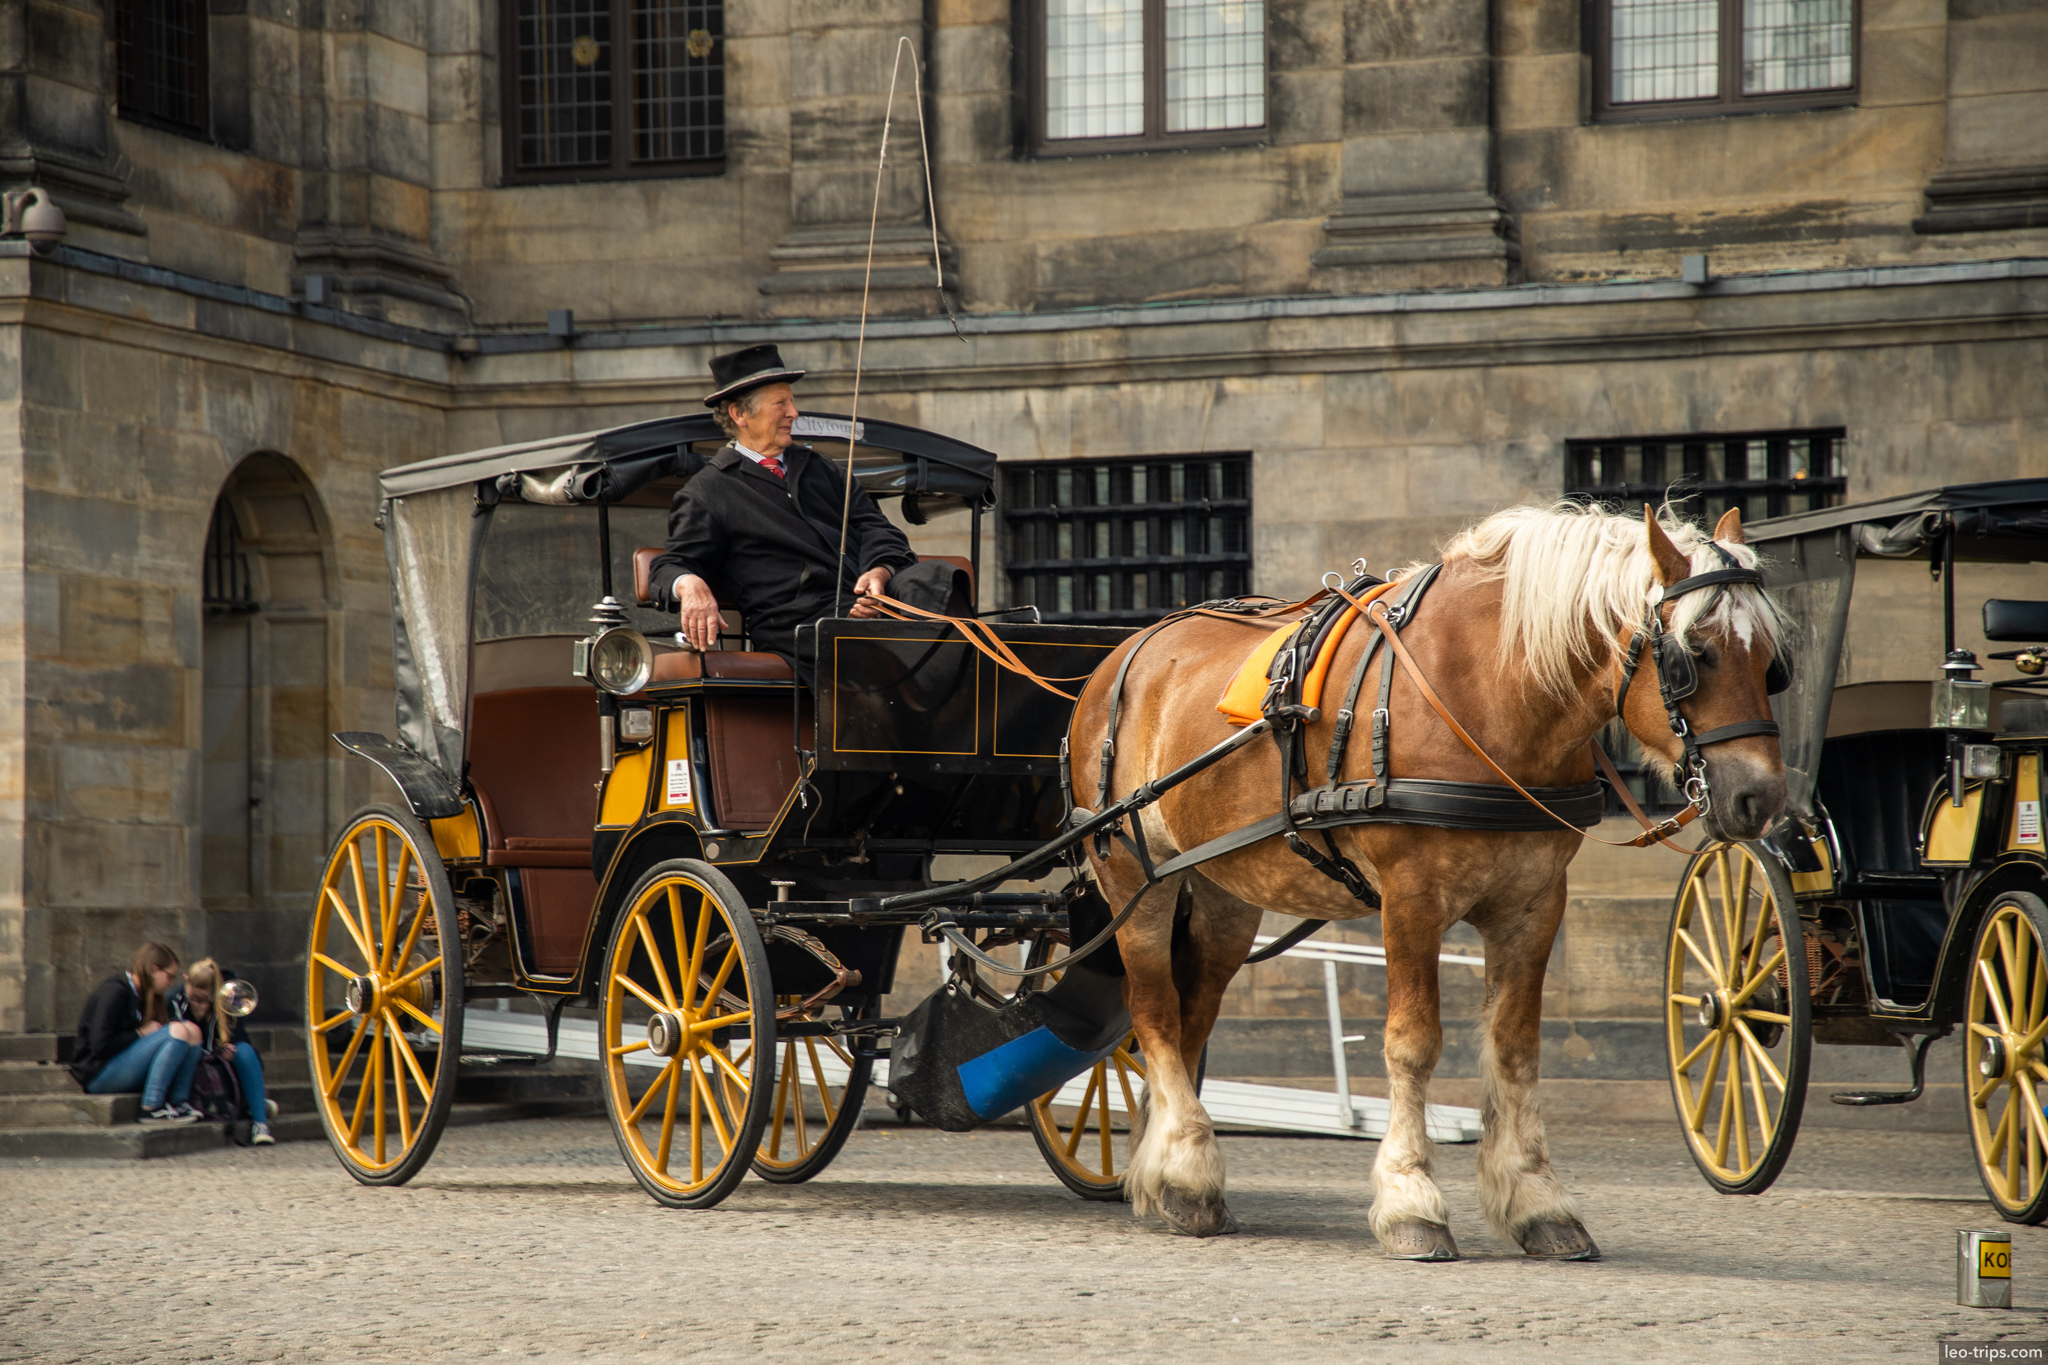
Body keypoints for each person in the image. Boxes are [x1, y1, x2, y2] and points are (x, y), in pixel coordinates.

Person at [647, 344, 962, 678]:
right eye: (781, 403)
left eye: (792, 401)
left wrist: (879, 571)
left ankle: (948, 697)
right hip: (799, 622)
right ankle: (928, 708)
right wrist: (689, 584)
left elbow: (876, 528)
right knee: (857, 636)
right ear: (740, 414)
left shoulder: (822, 469)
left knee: (935, 576)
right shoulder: (707, 491)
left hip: (867, 602)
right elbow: (671, 565)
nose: (794, 413)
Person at [68, 942, 203, 1124]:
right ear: (154, 970)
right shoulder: (115, 992)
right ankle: (152, 1107)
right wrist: (140, 1033)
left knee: (193, 1031)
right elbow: (100, 1047)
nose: (171, 983)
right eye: (169, 977)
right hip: (98, 1074)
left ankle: (179, 1102)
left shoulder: (145, 995)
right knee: (177, 1030)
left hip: (123, 1066)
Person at [172, 958, 277, 1145]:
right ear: (186, 980)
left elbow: (244, 1044)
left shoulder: (230, 1003)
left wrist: (228, 1048)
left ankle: (260, 1123)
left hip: (219, 1063)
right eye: (192, 998)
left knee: (244, 1052)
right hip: (192, 1062)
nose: (196, 1004)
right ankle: (253, 1105)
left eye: (203, 1000)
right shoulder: (174, 999)